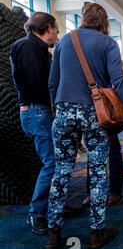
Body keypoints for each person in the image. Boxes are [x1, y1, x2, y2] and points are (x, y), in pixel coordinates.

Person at [46, 3, 123, 249]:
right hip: (93, 114)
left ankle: (53, 234)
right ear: (104, 22)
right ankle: (96, 233)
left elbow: (53, 82)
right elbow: (119, 82)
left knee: (61, 172)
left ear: (83, 19)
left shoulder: (64, 41)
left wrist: (59, 114)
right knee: (98, 172)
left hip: (64, 112)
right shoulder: (108, 44)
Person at [10, 12, 82, 236]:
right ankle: (37, 213)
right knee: (52, 163)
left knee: (58, 161)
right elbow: (37, 83)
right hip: (37, 112)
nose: (57, 33)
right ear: (47, 28)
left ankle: (54, 206)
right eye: (56, 29)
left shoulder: (36, 49)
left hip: (40, 111)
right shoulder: (28, 47)